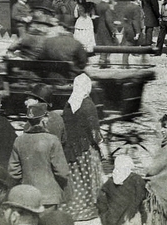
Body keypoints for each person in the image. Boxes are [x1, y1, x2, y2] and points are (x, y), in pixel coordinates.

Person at [57, 75, 104, 224]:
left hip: (70, 148)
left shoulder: (70, 103)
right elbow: (94, 131)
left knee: (75, 178)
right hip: (84, 148)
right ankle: (87, 209)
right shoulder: (88, 105)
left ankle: (72, 207)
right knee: (88, 178)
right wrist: (100, 144)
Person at [9, 101, 70, 210]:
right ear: (43, 121)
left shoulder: (19, 141)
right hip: (50, 197)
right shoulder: (52, 140)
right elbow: (63, 172)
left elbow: (13, 172)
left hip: (28, 196)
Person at [96, 153, 148, 225]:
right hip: (130, 218)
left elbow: (101, 203)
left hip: (112, 220)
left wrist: (105, 219)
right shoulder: (137, 180)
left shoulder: (109, 183)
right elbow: (142, 199)